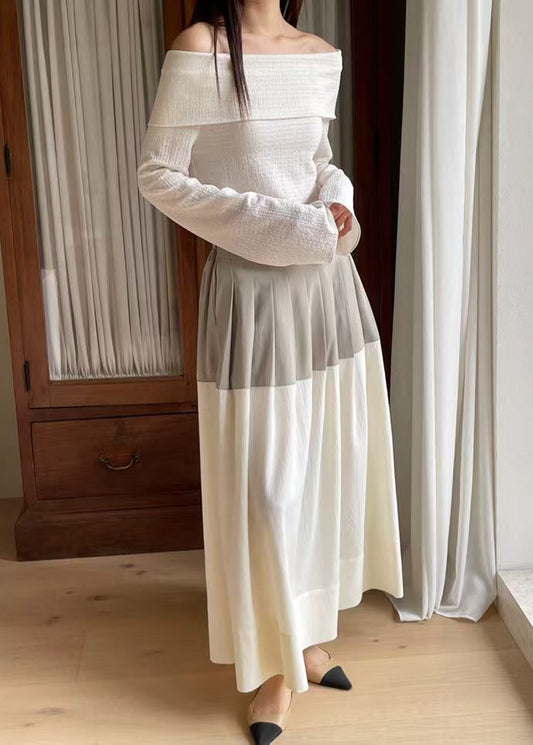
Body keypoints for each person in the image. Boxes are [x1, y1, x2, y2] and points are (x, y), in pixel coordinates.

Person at [137, 1, 404, 742]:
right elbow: (159, 174)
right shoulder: (202, 48)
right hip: (251, 297)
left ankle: (304, 639)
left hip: (325, 290)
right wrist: (284, 224)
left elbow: (318, 164)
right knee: (265, 486)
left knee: (321, 472)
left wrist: (337, 204)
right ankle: (277, 667)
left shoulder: (316, 53)